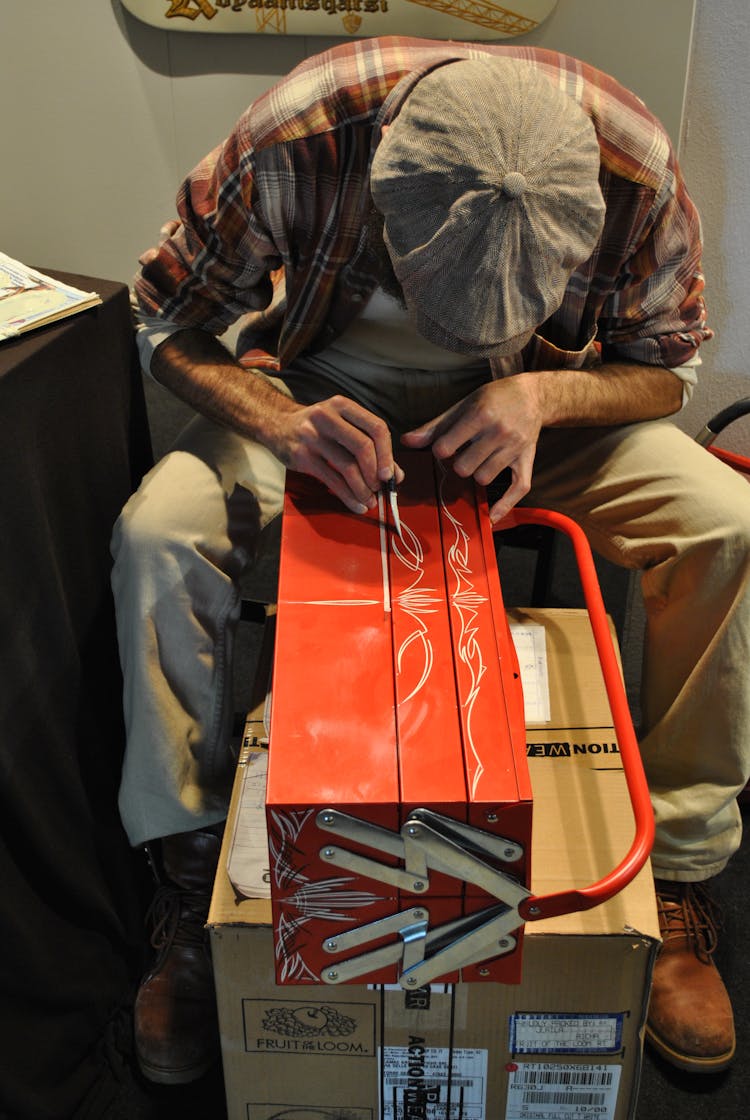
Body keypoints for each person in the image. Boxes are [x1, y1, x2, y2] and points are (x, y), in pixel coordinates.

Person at [112, 36, 750, 1084]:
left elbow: (665, 370)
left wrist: (542, 393)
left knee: (727, 519)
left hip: (527, 411)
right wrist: (277, 421)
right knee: (156, 536)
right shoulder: (297, 136)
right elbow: (164, 320)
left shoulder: (633, 162)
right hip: (322, 396)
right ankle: (191, 885)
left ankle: (679, 874)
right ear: (383, 193)